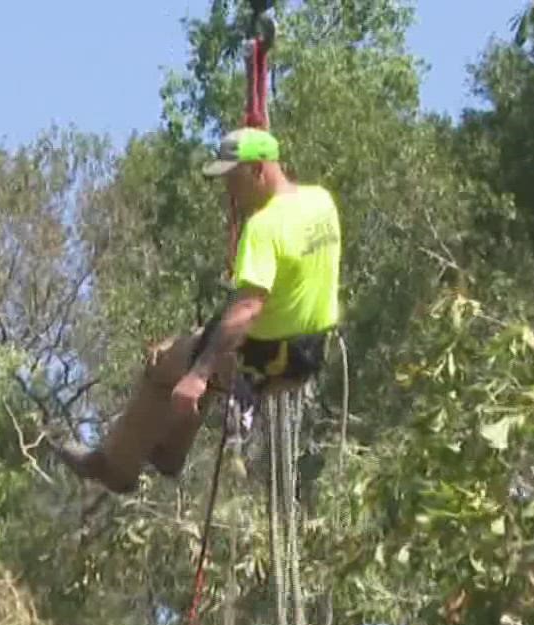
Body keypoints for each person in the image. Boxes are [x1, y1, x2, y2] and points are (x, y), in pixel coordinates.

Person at [54, 127, 342, 493]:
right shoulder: (321, 202)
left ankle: (116, 467)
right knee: (199, 340)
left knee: (165, 363)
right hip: (309, 348)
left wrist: (199, 374)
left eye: (233, 179)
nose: (229, 191)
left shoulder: (265, 227)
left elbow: (249, 307)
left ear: (258, 170)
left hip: (267, 358)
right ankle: (169, 449)